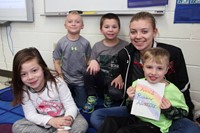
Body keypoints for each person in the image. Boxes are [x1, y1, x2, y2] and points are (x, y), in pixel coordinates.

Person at [90, 11, 195, 130]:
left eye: (144, 31)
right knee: (97, 116)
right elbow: (127, 86)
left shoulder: (172, 53)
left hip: (165, 115)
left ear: (154, 32)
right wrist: (129, 97)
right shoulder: (124, 55)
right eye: (133, 32)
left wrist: (189, 117)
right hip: (137, 110)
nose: (138, 36)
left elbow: (183, 88)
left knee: (192, 129)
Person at [97, 47, 200, 133]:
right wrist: (131, 99)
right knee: (110, 121)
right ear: (143, 67)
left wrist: (169, 109)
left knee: (125, 131)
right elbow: (130, 109)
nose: (153, 72)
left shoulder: (172, 90)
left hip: (155, 126)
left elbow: (183, 113)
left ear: (166, 69)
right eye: (149, 67)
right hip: (136, 120)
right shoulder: (138, 84)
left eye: (159, 68)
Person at [12, 47, 88, 133]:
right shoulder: (24, 90)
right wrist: (50, 121)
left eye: (34, 70)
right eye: (24, 74)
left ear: (43, 68)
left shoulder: (58, 83)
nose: (30, 77)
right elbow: (31, 115)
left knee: (82, 124)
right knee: (17, 127)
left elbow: (70, 106)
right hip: (44, 120)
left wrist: (65, 125)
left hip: (64, 117)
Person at [82, 13, 129, 113]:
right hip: (102, 79)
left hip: (115, 80)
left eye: (114, 27)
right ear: (101, 29)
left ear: (119, 29)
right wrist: (93, 61)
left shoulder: (126, 45)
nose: (110, 30)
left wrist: (122, 76)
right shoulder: (97, 46)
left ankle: (108, 95)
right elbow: (90, 60)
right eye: (107, 27)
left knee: (116, 94)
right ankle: (92, 96)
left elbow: (130, 64)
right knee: (86, 70)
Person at [53, 11, 91, 108]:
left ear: (82, 26)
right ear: (65, 25)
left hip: (80, 81)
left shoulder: (85, 43)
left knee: (81, 105)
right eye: (70, 22)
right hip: (65, 80)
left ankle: (75, 94)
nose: (73, 24)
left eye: (77, 22)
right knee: (61, 104)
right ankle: (70, 94)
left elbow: (89, 60)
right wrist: (61, 76)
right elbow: (56, 61)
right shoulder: (61, 42)